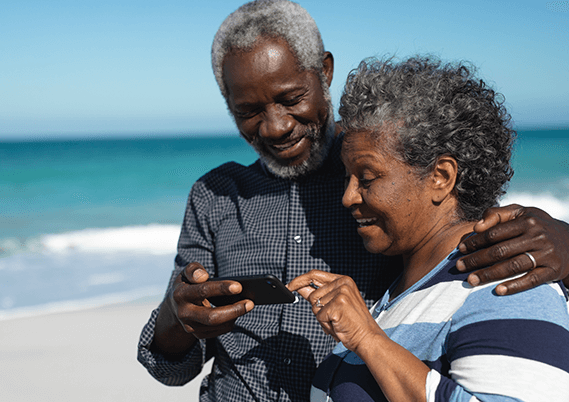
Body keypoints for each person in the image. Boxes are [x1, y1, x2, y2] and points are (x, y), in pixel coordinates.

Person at [137, 1, 569, 401]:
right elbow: (171, 367)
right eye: (248, 110)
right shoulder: (214, 195)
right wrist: (177, 316)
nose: (274, 126)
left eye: (291, 98)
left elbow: (464, 228)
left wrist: (565, 244)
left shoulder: (392, 163)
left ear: (323, 72)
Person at [288, 56, 569, 401]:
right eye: (347, 177)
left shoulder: (505, 285)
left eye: (367, 177)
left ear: (441, 177)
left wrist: (368, 339)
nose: (348, 197)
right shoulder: (397, 296)